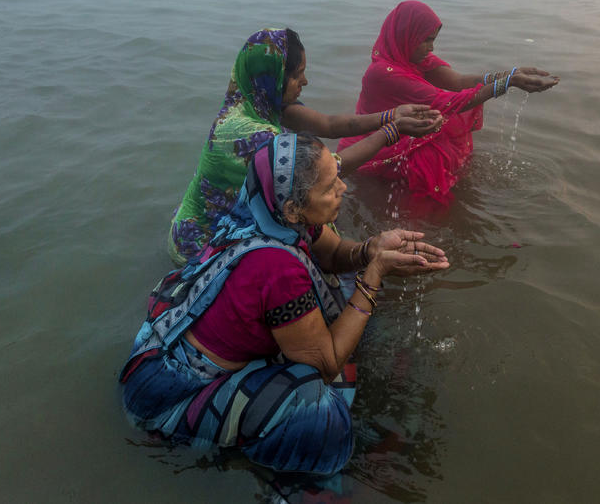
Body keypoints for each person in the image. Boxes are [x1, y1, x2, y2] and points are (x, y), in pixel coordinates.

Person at [121, 133, 449, 475]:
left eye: (337, 174)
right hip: (168, 395)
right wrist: (375, 275)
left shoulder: (266, 210)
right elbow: (326, 364)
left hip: (165, 345)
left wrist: (371, 249)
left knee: (340, 288)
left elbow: (336, 254)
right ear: (293, 209)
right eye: (329, 187)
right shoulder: (277, 268)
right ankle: (276, 471)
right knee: (318, 412)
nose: (343, 188)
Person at [168, 27, 443, 264]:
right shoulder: (252, 135)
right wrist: (392, 132)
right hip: (201, 244)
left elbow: (331, 125)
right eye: (298, 74)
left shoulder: (257, 99)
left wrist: (391, 115)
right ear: (274, 77)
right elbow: (330, 169)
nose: (305, 82)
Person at [337, 1, 558, 203]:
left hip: (401, 132)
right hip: (370, 150)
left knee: (439, 133)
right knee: (430, 156)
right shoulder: (383, 73)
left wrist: (508, 75)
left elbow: (459, 81)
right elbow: (449, 102)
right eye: (427, 40)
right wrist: (508, 83)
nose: (431, 48)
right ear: (408, 35)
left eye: (433, 40)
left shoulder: (413, 58)